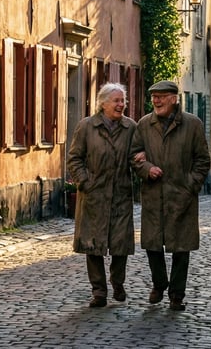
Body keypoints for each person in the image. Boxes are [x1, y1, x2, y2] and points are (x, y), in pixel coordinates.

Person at [130, 80, 211, 311]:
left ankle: (177, 294)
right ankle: (159, 283)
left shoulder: (192, 124)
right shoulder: (145, 124)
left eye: (162, 96)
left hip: (182, 195)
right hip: (154, 195)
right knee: (152, 245)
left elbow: (203, 160)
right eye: (154, 96)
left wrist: (190, 185)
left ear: (174, 99)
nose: (156, 100)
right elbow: (134, 155)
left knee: (181, 248)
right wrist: (146, 169)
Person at [66, 82, 138, 308]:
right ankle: (98, 291)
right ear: (103, 103)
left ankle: (118, 283)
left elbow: (136, 156)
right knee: (92, 245)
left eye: (123, 101)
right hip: (94, 195)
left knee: (120, 244)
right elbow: (74, 158)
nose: (121, 105)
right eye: (116, 101)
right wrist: (85, 182)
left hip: (120, 194)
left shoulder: (130, 128)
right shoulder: (87, 126)